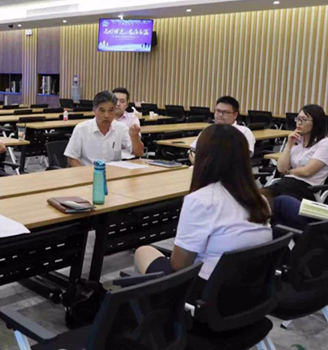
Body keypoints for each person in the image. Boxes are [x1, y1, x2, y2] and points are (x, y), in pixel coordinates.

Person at [134, 124, 272, 295]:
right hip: (251, 291)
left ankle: (158, 307)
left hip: (209, 295)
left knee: (143, 252)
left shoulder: (201, 200)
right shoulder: (260, 199)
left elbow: (179, 266)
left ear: (205, 158)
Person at [264, 104, 328, 201]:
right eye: (298, 119)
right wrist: (289, 144)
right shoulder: (296, 140)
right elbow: (281, 168)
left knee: (270, 196)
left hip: (308, 188)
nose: (299, 123)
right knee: (264, 196)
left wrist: (289, 172)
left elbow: (307, 171)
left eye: (304, 120)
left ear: (316, 123)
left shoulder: (324, 144)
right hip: (288, 183)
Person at [64, 90, 144, 167]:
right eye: (102, 111)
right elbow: (71, 158)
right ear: (94, 111)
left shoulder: (121, 128)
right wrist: (85, 173)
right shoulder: (81, 129)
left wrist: (135, 137)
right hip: (90, 172)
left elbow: (139, 153)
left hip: (115, 172)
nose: (106, 115)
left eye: (111, 110)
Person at [189, 96, 255, 164]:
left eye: (225, 112)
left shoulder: (244, 132)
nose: (220, 115)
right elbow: (193, 151)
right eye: (218, 111)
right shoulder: (208, 131)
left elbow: (242, 158)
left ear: (235, 115)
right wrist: (198, 163)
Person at [112, 87, 143, 159]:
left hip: (126, 159)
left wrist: (134, 136)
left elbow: (138, 151)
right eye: (115, 100)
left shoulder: (132, 119)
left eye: (122, 101)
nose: (118, 104)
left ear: (127, 104)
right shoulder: (102, 119)